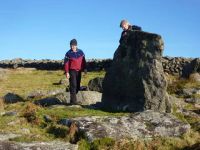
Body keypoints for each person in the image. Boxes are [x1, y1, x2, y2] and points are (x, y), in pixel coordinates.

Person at [64, 39, 86, 104]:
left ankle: (72, 100)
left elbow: (84, 61)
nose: (72, 47)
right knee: (73, 85)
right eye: (71, 46)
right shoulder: (68, 53)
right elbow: (66, 63)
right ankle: (73, 101)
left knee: (77, 86)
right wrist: (67, 72)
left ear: (76, 45)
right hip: (72, 71)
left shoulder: (81, 52)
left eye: (73, 45)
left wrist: (85, 69)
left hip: (79, 71)